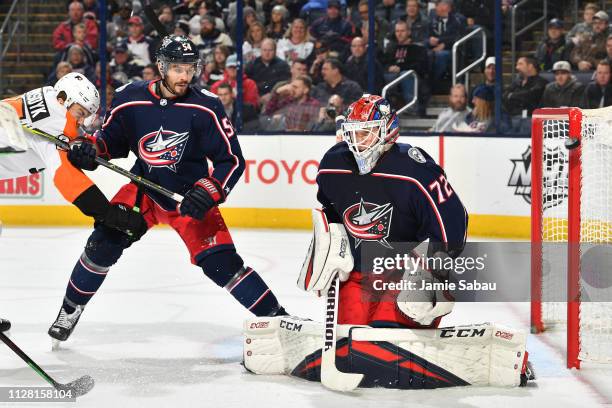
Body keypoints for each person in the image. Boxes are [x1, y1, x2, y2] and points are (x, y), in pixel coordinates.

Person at [48, 35, 288, 342]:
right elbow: (108, 143)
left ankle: (278, 319)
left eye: (189, 68)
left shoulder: (207, 107)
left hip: (189, 198)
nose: (185, 76)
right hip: (143, 190)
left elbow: (232, 161)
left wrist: (209, 190)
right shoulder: (130, 98)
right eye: (177, 68)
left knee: (222, 265)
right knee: (103, 244)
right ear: (161, 67)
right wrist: (88, 149)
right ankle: (70, 310)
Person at [0, 74, 142, 239]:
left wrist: (82, 146)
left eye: (86, 116)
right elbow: (66, 177)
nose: (82, 121)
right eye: (80, 113)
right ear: (63, 100)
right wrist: (108, 213)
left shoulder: (49, 97)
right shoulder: (56, 124)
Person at [502, 56, 548, 131]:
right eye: (517, 65)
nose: (517, 67)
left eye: (520, 64)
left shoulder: (541, 82)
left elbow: (530, 96)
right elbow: (505, 95)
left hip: (531, 119)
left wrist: (512, 95)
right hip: (513, 117)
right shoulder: (517, 82)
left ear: (530, 66)